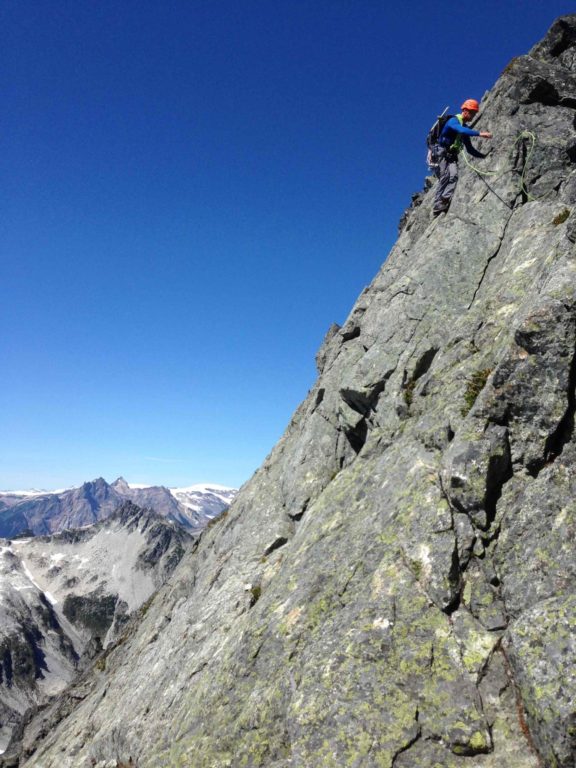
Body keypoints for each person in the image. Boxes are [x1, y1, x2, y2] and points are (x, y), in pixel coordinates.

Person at [432, 99, 493, 216]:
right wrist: (480, 133)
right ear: (465, 111)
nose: (473, 116)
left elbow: (469, 149)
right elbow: (460, 129)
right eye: (472, 113)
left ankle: (444, 200)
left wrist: (483, 156)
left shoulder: (464, 127)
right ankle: (437, 205)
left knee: (454, 175)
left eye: (474, 114)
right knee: (445, 176)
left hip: (451, 155)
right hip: (441, 152)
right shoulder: (453, 121)